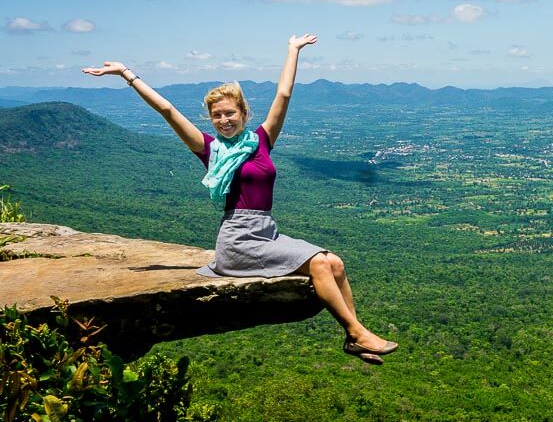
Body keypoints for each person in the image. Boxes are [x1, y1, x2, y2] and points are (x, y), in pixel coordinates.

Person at [82, 34, 396, 365]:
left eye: (230, 113)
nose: (224, 120)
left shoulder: (261, 140)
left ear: (244, 113)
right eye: (217, 115)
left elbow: (284, 94)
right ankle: (357, 334)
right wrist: (126, 74)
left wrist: (292, 49)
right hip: (238, 239)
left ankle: (354, 336)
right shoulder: (210, 150)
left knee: (335, 263)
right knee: (320, 262)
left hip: (267, 232)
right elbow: (167, 110)